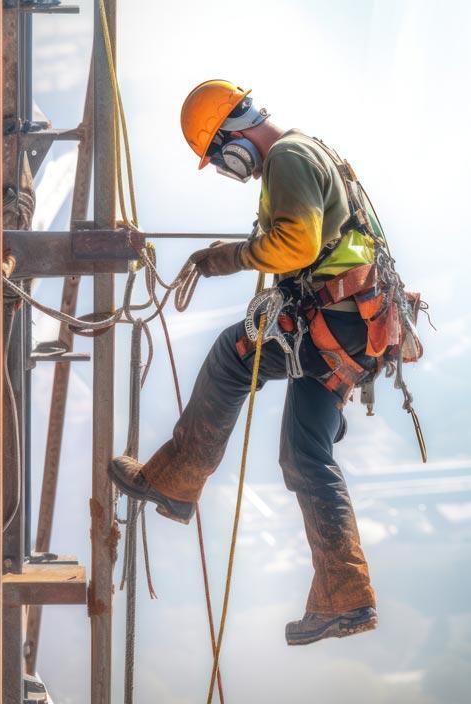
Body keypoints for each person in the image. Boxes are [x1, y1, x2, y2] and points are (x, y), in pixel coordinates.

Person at [109, 79, 380, 645]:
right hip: (354, 328)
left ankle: (177, 482)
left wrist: (228, 257)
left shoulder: (287, 157)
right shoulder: (309, 152)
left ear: (233, 139)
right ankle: (346, 596)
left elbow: (299, 245)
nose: (232, 172)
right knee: (305, 455)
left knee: (232, 357)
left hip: (333, 320)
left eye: (221, 161)